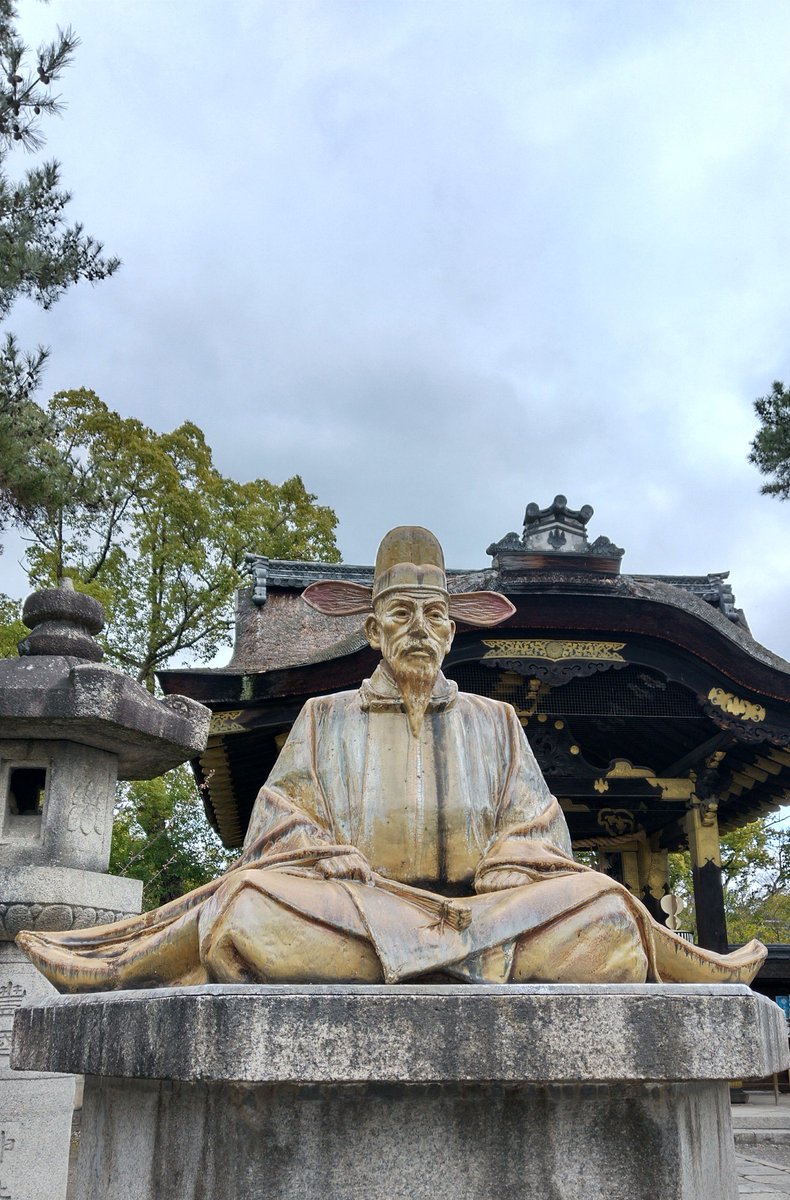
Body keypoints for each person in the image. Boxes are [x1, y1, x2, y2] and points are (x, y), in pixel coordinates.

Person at [18, 527, 765, 990]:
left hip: (489, 912)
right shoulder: (323, 717)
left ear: (451, 631)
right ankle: (458, 965)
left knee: (603, 912)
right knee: (247, 910)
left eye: (435, 616)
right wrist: (315, 853)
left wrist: (515, 859)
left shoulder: (496, 722)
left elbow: (538, 830)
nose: (420, 629)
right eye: (402, 615)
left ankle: (442, 957)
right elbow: (275, 828)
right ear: (373, 630)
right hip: (357, 909)